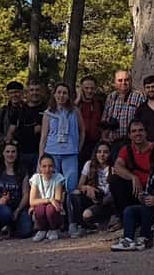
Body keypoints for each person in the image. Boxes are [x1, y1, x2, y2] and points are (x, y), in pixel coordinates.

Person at [39, 81, 84, 234]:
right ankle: (54, 225)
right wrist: (41, 157)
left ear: (69, 95)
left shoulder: (75, 111)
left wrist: (77, 147)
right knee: (52, 188)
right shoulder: (48, 113)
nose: (61, 96)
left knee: (71, 188)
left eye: (64, 93)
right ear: (54, 94)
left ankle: (72, 223)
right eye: (59, 92)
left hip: (70, 153)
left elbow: (82, 131)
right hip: (52, 152)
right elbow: (44, 136)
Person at [0, 141, 32, 240]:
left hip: (17, 206)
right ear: (3, 153)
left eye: (13, 152)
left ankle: (11, 226)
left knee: (26, 232)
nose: (10, 154)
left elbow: (26, 194)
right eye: (7, 151)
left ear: (17, 154)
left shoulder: (22, 170)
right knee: (5, 213)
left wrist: (18, 210)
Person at [0, 79, 43, 174]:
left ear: (22, 93)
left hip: (39, 152)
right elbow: (5, 133)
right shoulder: (5, 111)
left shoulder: (46, 109)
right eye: (11, 93)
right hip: (19, 152)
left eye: (17, 92)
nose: (14, 95)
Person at [109, 119, 154, 218]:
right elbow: (117, 166)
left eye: (140, 130)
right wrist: (133, 177)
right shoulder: (126, 149)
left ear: (146, 133)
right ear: (129, 135)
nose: (138, 133)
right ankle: (124, 217)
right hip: (136, 190)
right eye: (134, 131)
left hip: (153, 189)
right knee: (114, 180)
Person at [69, 141, 114, 232]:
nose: (102, 155)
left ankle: (102, 221)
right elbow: (79, 186)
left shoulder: (113, 167)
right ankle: (79, 225)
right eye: (99, 152)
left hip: (106, 201)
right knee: (75, 194)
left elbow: (114, 194)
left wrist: (102, 201)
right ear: (95, 153)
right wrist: (87, 187)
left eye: (105, 152)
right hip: (92, 197)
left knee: (87, 215)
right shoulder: (89, 164)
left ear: (110, 154)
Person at [101, 70, 144, 150]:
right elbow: (105, 118)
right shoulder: (111, 97)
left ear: (131, 81)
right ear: (115, 82)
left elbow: (144, 120)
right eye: (120, 80)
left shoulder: (139, 96)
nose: (123, 83)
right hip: (113, 142)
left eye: (126, 80)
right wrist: (104, 137)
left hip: (132, 142)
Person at [29, 154, 66, 241]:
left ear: (54, 167)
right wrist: (49, 199)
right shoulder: (36, 178)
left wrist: (46, 201)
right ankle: (42, 230)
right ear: (40, 167)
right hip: (42, 208)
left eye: (50, 166)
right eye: (44, 166)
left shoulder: (58, 178)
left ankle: (54, 229)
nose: (47, 169)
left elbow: (57, 200)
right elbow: (32, 201)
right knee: (40, 209)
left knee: (50, 209)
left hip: (54, 211)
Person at [76, 77, 104, 166]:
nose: (89, 91)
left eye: (92, 88)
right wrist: (78, 99)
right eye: (86, 88)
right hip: (78, 144)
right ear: (81, 88)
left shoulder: (100, 103)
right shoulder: (75, 104)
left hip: (94, 144)